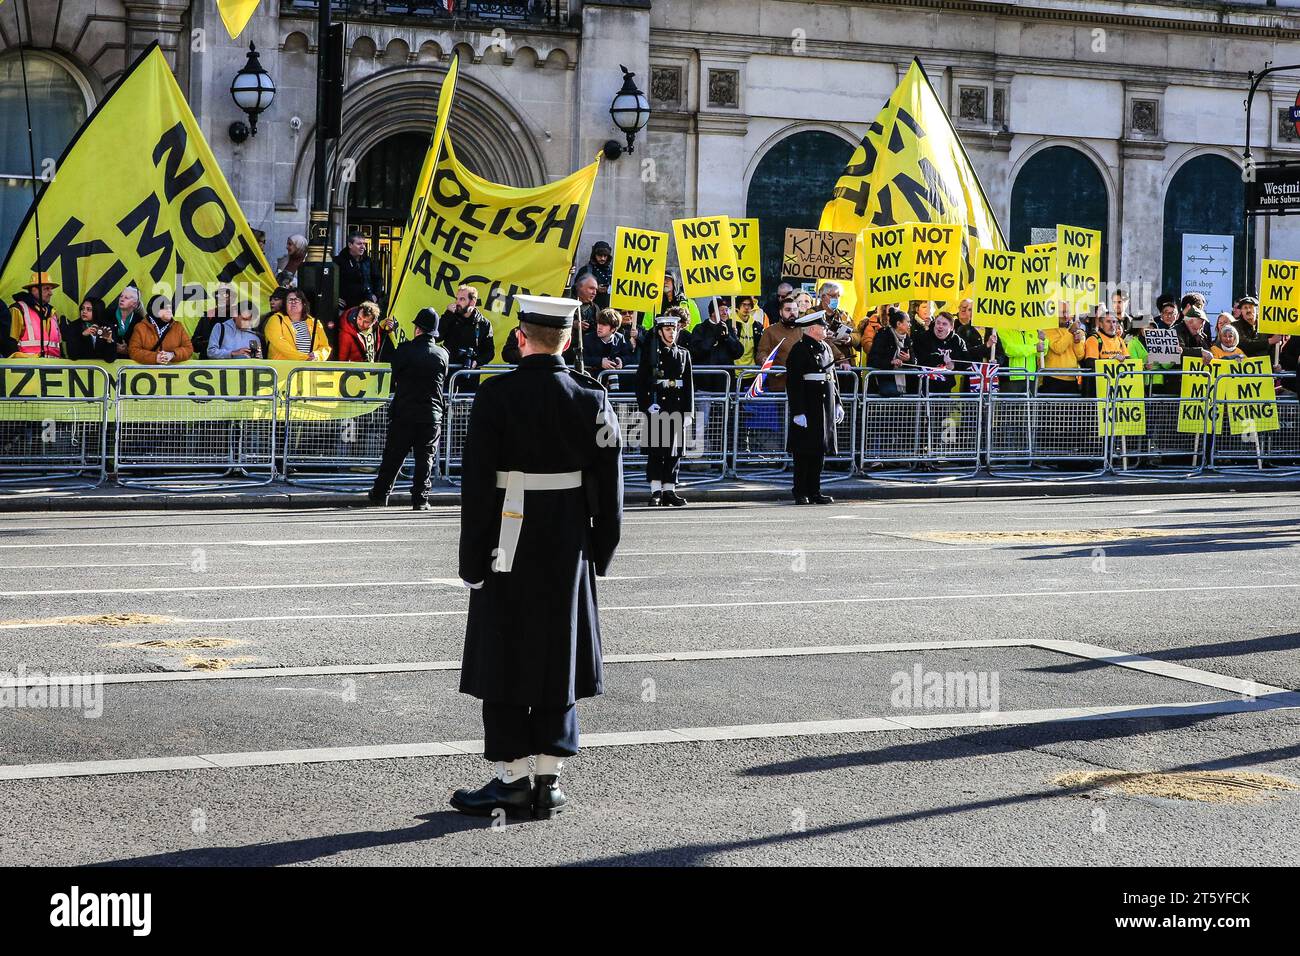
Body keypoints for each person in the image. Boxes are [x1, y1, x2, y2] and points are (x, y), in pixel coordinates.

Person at [451, 294, 623, 820]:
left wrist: (471, 561)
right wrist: (600, 549)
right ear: (568, 340)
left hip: (509, 534)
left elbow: (476, 485)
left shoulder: (496, 395)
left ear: (521, 338)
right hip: (567, 539)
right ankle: (548, 780)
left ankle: (511, 780)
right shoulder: (591, 397)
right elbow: (610, 484)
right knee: (558, 651)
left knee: (505, 650)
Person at [368, 307, 448, 511]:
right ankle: (420, 499)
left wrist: (387, 334)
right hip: (431, 414)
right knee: (425, 459)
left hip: (405, 412)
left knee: (393, 457)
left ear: (418, 329)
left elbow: (391, 368)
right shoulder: (442, 354)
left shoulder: (405, 350)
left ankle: (379, 495)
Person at [785, 310, 844, 505]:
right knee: (803, 452)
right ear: (812, 328)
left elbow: (831, 378)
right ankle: (800, 491)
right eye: (822, 325)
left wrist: (837, 403)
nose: (826, 328)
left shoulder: (826, 347)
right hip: (808, 405)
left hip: (824, 406)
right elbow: (794, 382)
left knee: (819, 451)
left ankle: (815, 490)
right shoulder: (799, 349)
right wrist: (798, 411)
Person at [636, 312, 694, 507]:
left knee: (674, 452)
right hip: (657, 407)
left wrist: (689, 412)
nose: (672, 333)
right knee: (656, 452)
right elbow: (642, 382)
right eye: (668, 329)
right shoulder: (651, 352)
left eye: (674, 329)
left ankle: (669, 489)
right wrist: (645, 405)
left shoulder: (684, 353)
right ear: (660, 332)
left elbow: (688, 386)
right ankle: (655, 491)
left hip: (676, 406)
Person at [438, 285, 495, 377]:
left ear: (472, 302)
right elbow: (437, 337)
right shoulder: (451, 316)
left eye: (462, 299)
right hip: (447, 373)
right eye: (457, 299)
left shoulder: (484, 324)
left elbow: (489, 352)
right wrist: (447, 315)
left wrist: (477, 361)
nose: (457, 302)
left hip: (470, 376)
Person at [6, 273, 62, 358]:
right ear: (34, 290)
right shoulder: (18, 309)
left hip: (54, 369)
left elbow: (59, 347)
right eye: (46, 289)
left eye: (51, 289)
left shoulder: (53, 314)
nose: (51, 293)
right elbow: (10, 344)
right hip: (28, 368)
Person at [754, 296, 804, 391]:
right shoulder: (770, 331)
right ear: (781, 312)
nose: (792, 313)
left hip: (802, 382)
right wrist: (764, 359)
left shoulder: (805, 330)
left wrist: (841, 358)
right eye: (788, 310)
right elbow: (762, 351)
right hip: (780, 383)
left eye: (795, 309)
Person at [913, 311, 969, 394]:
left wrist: (953, 365)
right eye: (938, 323)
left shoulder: (957, 341)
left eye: (944, 324)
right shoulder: (923, 338)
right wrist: (941, 358)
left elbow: (966, 360)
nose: (940, 326)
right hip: (925, 385)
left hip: (946, 386)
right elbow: (920, 358)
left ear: (951, 327)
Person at [265, 289, 331, 361]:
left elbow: (325, 346)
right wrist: (304, 358)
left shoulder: (315, 323)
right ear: (285, 304)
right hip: (283, 369)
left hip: (308, 370)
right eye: (290, 300)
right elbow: (280, 345)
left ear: (303, 303)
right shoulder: (276, 320)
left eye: (297, 299)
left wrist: (317, 356)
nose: (293, 302)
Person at [128, 294, 194, 365]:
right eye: (165, 308)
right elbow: (133, 351)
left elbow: (189, 349)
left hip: (173, 373)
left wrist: (172, 354)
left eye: (170, 308)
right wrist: (155, 357)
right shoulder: (140, 327)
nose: (169, 310)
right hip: (149, 373)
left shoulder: (178, 327)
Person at [1039, 302, 1087, 395]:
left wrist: (1077, 342)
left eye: (1067, 312)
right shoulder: (1047, 329)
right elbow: (1058, 348)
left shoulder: (1076, 330)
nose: (1065, 316)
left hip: (1072, 378)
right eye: (1062, 313)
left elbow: (1080, 356)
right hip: (1052, 378)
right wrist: (1070, 332)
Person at [583, 308, 636, 389]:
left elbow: (631, 357)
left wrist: (621, 361)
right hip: (592, 384)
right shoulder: (588, 338)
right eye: (599, 323)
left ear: (613, 329)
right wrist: (600, 362)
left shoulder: (620, 338)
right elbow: (581, 358)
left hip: (616, 384)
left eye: (604, 325)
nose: (599, 327)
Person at [866, 306, 914, 396]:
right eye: (907, 322)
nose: (910, 325)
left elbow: (913, 360)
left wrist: (908, 358)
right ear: (899, 324)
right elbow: (873, 360)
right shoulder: (883, 335)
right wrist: (891, 362)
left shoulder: (906, 338)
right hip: (885, 379)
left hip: (905, 380)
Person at [691, 298, 744, 369]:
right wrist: (713, 337)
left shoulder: (729, 327)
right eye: (721, 310)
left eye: (726, 310)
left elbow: (738, 353)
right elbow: (696, 351)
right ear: (713, 313)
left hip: (726, 375)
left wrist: (728, 337)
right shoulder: (700, 328)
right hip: (706, 376)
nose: (725, 313)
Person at [191, 283, 237, 359]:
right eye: (218, 295)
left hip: (231, 364)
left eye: (225, 295)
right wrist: (209, 343)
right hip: (208, 364)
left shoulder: (239, 318)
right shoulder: (207, 317)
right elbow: (194, 345)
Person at [335, 231, 379, 310]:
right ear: (350, 245)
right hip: (346, 307)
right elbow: (330, 282)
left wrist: (376, 295)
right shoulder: (339, 261)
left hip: (366, 306)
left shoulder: (368, 261)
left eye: (364, 244)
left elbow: (377, 279)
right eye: (359, 244)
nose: (363, 247)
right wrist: (335, 298)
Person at [63, 297, 117, 362]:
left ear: (97, 311)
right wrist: (82, 335)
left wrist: (109, 341)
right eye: (82, 308)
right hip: (80, 369)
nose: (84, 311)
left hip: (101, 369)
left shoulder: (107, 327)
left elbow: (110, 359)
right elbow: (72, 355)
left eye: (89, 309)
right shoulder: (73, 326)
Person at [104, 285, 145, 359]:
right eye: (121, 296)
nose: (122, 299)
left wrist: (128, 350)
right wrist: (113, 347)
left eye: (126, 298)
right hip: (108, 361)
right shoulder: (106, 315)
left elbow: (143, 346)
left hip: (129, 362)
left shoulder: (140, 321)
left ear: (135, 304)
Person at [573, 240, 613, 310]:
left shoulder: (611, 272)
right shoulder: (586, 270)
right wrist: (595, 289)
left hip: (608, 309)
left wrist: (608, 289)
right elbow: (576, 289)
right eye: (600, 255)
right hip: (590, 309)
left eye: (605, 256)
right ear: (594, 255)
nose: (602, 258)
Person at [732, 295, 766, 365]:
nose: (747, 307)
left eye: (749, 305)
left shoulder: (757, 326)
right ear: (737, 307)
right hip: (734, 371)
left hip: (752, 370)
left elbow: (761, 348)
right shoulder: (730, 324)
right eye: (743, 305)